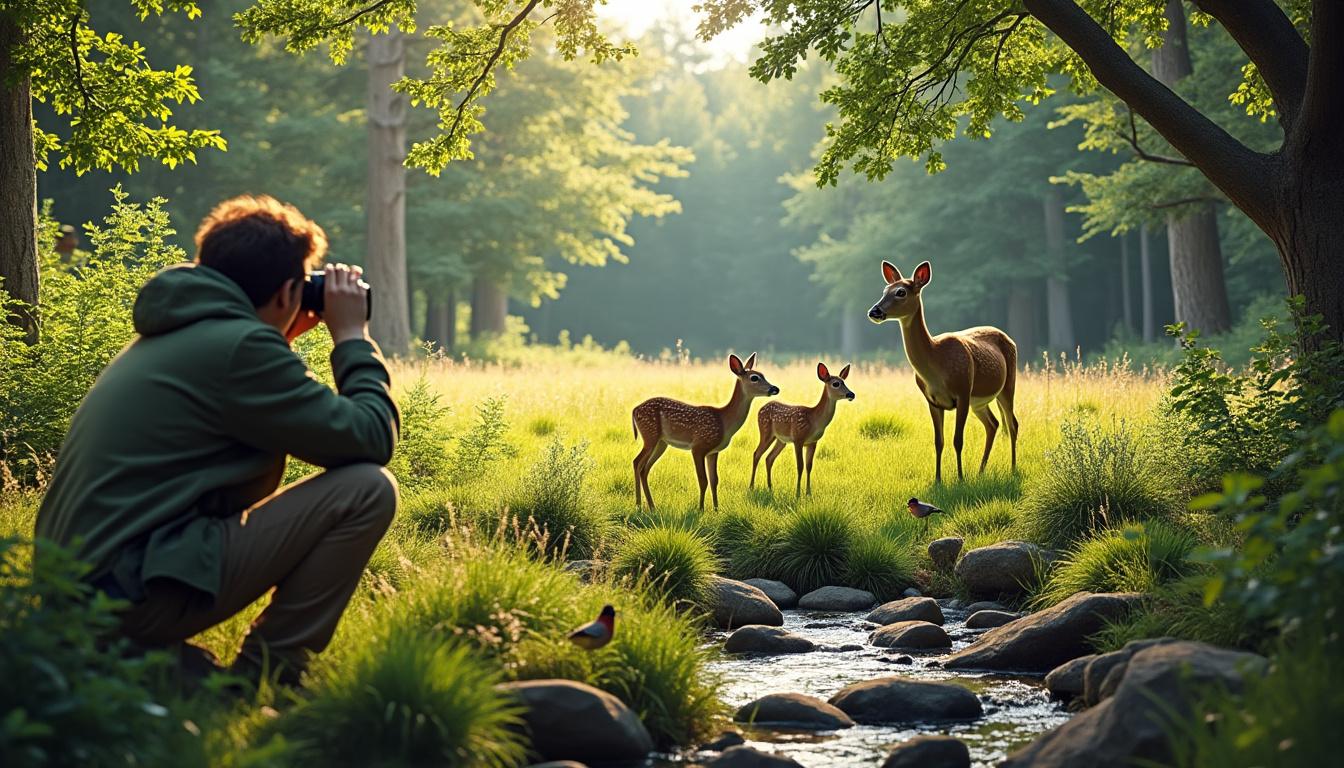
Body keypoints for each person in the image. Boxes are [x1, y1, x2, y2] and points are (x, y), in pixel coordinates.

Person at [35, 195, 401, 686]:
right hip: (126, 594)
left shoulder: (178, 331)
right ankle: (264, 679)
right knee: (366, 489)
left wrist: (279, 336)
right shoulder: (240, 349)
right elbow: (371, 437)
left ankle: (143, 663)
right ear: (289, 289)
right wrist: (352, 335)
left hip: (81, 594)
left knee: (184, 681)